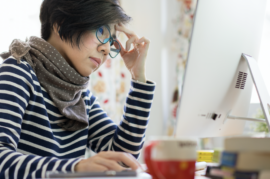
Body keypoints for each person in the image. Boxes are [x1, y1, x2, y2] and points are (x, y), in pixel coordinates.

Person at [0, 0, 155, 178]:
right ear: (61, 24)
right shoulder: (18, 72)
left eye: (112, 41)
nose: (106, 49)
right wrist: (76, 168)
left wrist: (138, 78)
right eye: (101, 31)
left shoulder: (80, 96)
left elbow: (122, 159)